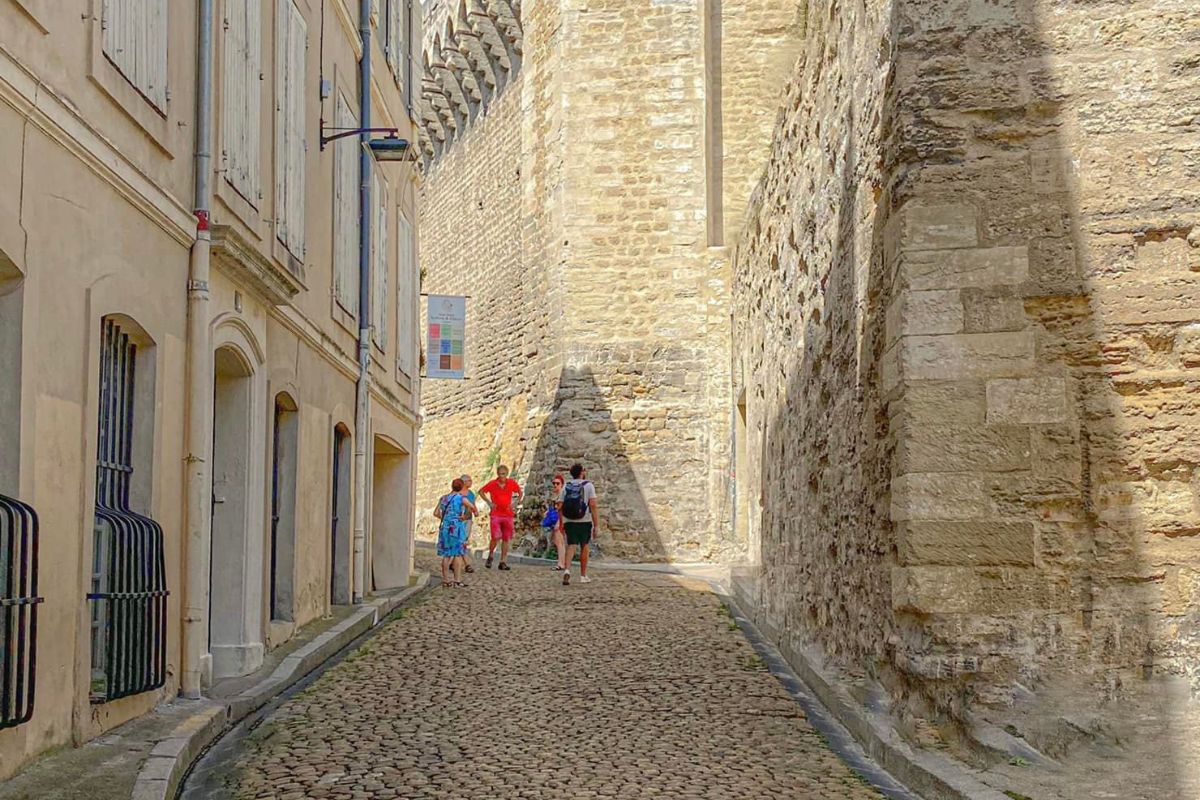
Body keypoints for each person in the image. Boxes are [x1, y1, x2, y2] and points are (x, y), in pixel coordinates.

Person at [557, 464, 598, 586]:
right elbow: (593, 505)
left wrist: (561, 522)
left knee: (571, 545)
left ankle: (567, 570)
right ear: (582, 472)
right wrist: (596, 525)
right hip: (584, 520)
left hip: (569, 520)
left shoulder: (566, 486)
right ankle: (583, 575)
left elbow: (559, 505)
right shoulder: (588, 486)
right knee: (584, 546)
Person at [479, 465, 523, 570]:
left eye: (503, 474)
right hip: (496, 514)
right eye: (499, 474)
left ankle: (503, 561)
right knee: (495, 536)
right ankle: (490, 555)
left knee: (506, 538)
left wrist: (515, 503)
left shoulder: (511, 483)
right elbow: (481, 491)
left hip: (508, 515)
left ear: (506, 474)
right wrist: (489, 502)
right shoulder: (492, 484)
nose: (501, 476)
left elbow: (520, 492)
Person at [434, 478, 475, 587]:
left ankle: (446, 580)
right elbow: (472, 507)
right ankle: (457, 580)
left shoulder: (443, 498)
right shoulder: (461, 498)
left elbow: (436, 513)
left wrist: (446, 518)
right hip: (456, 528)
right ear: (461, 487)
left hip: (445, 528)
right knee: (457, 554)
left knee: (446, 555)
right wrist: (464, 516)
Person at [542, 474, 566, 571]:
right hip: (555, 520)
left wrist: (559, 523)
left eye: (557, 483)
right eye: (554, 483)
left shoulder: (562, 495)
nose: (555, 485)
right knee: (557, 541)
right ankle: (561, 562)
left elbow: (562, 510)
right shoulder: (556, 495)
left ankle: (561, 564)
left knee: (560, 542)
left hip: (559, 520)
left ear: (562, 484)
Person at [460, 474, 477, 573]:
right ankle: (467, 564)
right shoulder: (459, 494)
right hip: (460, 520)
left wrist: (476, 511)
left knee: (464, 541)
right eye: (469, 480)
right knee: (461, 542)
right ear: (464, 482)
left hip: (468, 519)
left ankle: (453, 563)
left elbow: (473, 504)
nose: (471, 482)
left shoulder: (471, 494)